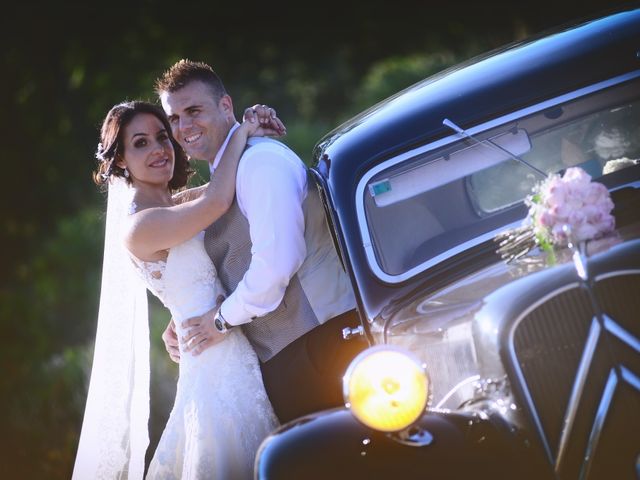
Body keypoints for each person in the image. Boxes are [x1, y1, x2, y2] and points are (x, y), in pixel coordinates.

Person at [73, 101, 282, 479]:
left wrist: (255, 132)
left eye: (162, 137)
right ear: (120, 160)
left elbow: (226, 186)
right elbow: (218, 200)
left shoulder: (173, 205)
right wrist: (241, 131)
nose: (159, 148)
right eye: (140, 143)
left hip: (229, 348)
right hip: (214, 365)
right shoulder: (140, 227)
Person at [156, 59, 368, 423]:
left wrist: (219, 321)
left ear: (226, 106)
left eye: (194, 111)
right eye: (174, 118)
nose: (183, 126)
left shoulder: (261, 163)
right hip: (291, 361)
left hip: (325, 347)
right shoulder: (229, 176)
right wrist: (184, 315)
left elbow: (277, 263)